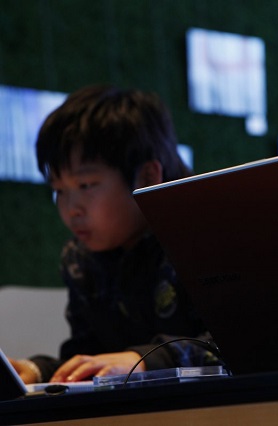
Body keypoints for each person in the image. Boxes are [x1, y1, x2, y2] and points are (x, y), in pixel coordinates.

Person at [10, 85, 218, 384]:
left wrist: (143, 360)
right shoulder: (80, 260)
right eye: (58, 190)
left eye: (85, 186)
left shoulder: (204, 234)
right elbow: (93, 354)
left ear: (146, 177)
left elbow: (247, 343)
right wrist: (38, 370)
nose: (71, 209)